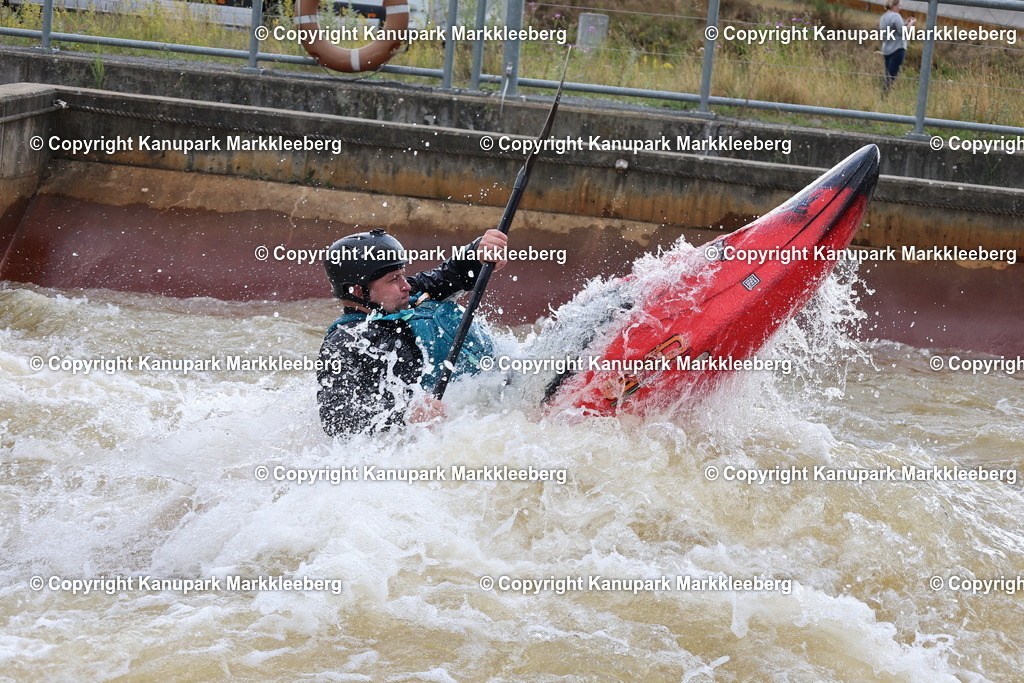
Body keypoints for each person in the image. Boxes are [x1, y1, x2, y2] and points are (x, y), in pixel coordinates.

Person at [316, 227, 508, 436]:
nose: (406, 285)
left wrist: (477, 252)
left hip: (488, 396)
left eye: (403, 275)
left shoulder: (406, 297)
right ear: (358, 291)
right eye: (394, 279)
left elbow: (450, 274)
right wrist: (404, 415)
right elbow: (337, 420)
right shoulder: (343, 345)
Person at [880, 0, 916, 96]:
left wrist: (905, 23)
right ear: (894, 5)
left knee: (887, 75)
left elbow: (895, 29)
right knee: (891, 76)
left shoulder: (884, 17)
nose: (900, 8)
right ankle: (884, 97)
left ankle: (884, 96)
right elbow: (903, 32)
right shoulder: (896, 16)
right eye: (899, 5)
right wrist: (911, 23)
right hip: (897, 49)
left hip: (886, 49)